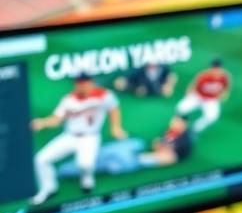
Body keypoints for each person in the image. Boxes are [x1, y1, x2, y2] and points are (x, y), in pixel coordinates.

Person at [31, 74, 127, 205]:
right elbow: (56, 119)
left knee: (85, 165)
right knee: (41, 159)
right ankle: (49, 188)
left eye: (85, 82)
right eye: (79, 82)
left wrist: (116, 127)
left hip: (90, 137)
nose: (82, 85)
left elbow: (114, 109)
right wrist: (42, 123)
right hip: (70, 136)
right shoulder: (69, 100)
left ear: (92, 82)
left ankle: (87, 180)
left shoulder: (103, 95)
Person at [175, 58, 231, 134]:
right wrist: (188, 96)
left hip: (211, 100)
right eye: (214, 68)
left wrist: (223, 96)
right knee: (180, 108)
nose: (216, 71)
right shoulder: (204, 75)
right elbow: (192, 86)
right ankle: (180, 124)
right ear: (211, 67)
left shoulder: (225, 77)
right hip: (198, 97)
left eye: (218, 69)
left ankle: (194, 129)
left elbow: (226, 88)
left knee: (212, 117)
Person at [113, 62, 178, 98]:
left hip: (159, 87)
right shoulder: (139, 71)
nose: (152, 66)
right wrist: (134, 89)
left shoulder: (163, 68)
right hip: (141, 87)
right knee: (120, 84)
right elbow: (122, 82)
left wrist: (169, 85)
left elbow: (172, 76)